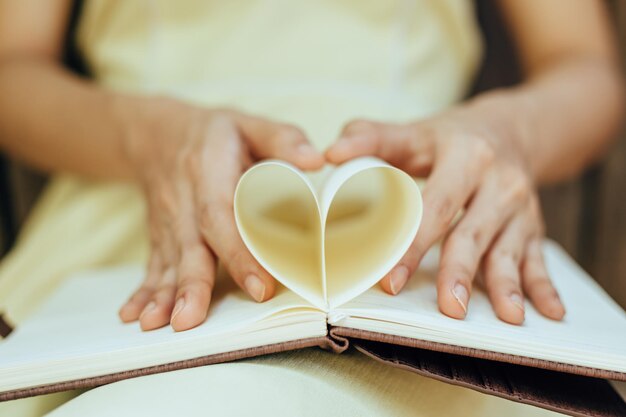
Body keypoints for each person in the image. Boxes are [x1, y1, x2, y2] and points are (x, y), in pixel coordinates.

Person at [0, 0, 622, 416]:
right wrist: (147, 137)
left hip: (409, 228)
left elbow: (587, 67)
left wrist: (511, 133)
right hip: (137, 216)